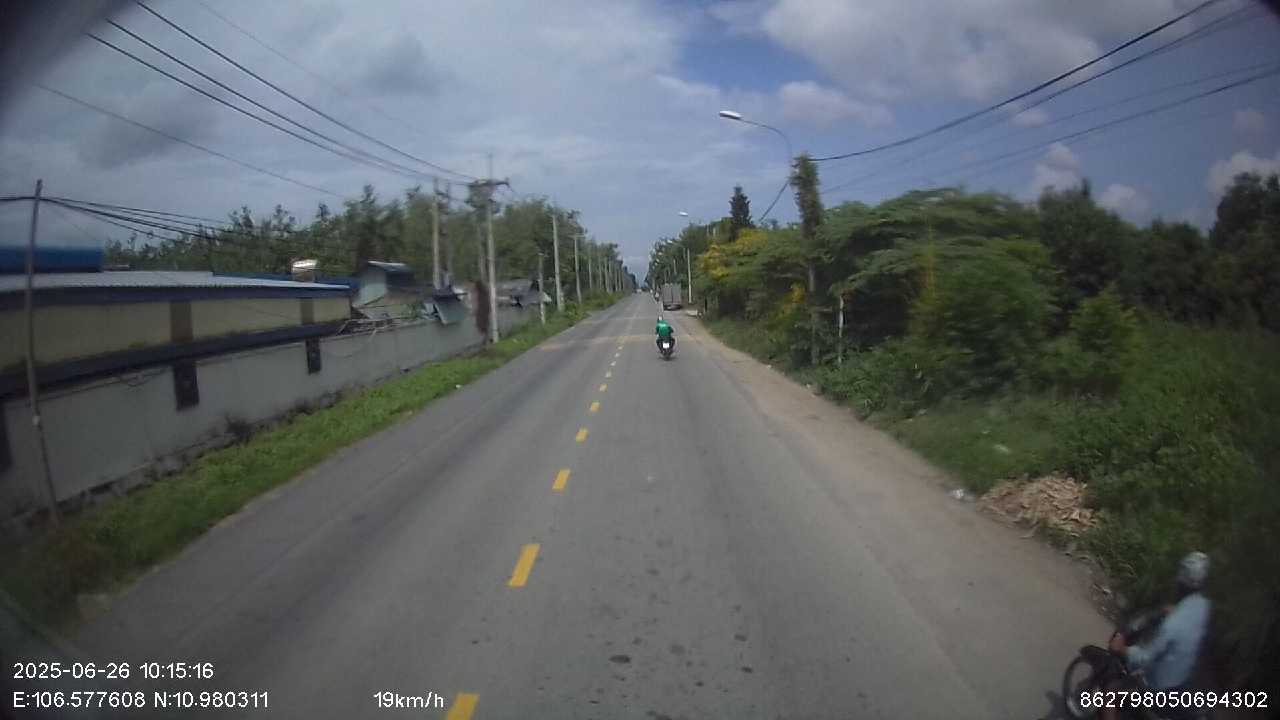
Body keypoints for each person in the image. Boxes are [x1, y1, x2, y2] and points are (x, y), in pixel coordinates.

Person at [1100, 552, 1211, 720]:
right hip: (1184, 683)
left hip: (1160, 688)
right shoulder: (1203, 607)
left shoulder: (1172, 625)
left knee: (1111, 694)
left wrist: (1123, 649)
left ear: (1180, 580)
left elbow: (1145, 657)